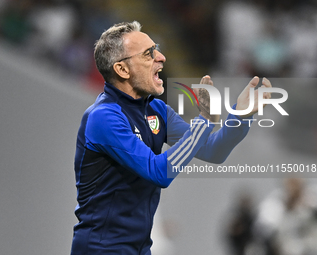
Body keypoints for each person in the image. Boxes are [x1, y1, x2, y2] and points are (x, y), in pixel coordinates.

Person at [70, 21, 272, 255]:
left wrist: (240, 116)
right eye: (149, 54)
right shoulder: (103, 117)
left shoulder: (157, 110)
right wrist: (204, 120)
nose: (162, 57)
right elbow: (158, 172)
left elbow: (212, 151)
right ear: (122, 70)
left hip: (139, 249)